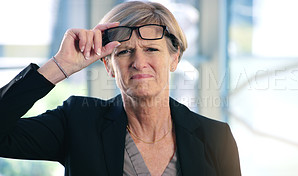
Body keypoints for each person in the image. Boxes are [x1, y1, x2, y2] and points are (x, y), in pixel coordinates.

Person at [0, 1, 241, 176]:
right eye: (125, 52)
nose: (138, 62)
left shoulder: (215, 138)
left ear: (174, 58)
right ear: (109, 65)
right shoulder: (77, 122)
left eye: (151, 49)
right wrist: (59, 66)